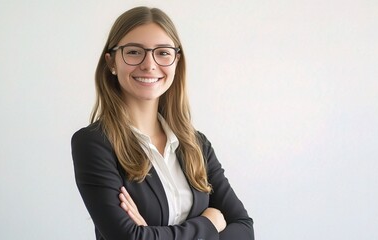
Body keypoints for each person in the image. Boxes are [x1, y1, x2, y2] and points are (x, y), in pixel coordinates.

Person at [71, 6, 254, 240]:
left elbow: (244, 230)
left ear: (176, 61)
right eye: (134, 52)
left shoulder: (196, 144)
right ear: (112, 62)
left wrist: (152, 234)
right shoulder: (94, 144)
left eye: (163, 53)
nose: (149, 64)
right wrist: (209, 223)